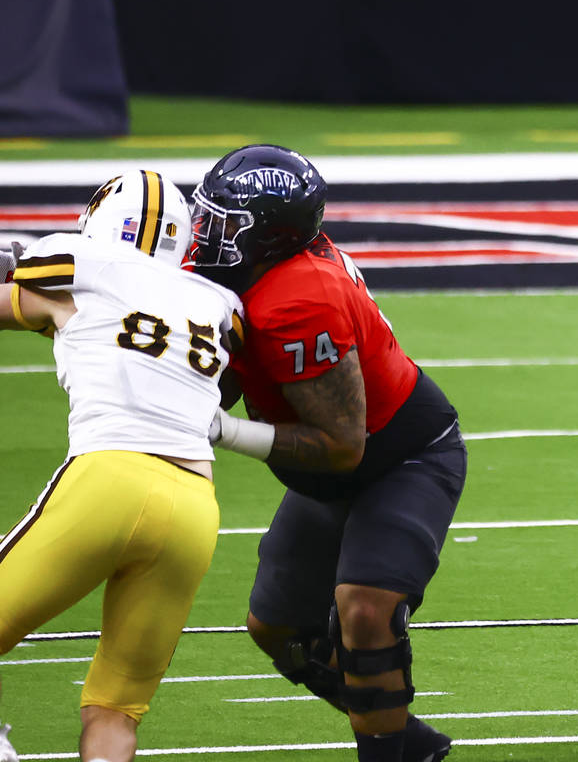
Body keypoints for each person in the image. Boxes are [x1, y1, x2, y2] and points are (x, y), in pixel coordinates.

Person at [189, 144, 465, 762]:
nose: (204, 232)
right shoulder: (256, 265)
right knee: (277, 630)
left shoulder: (297, 296)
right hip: (323, 475)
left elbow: (342, 446)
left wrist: (219, 428)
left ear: (269, 236)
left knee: (366, 612)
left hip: (401, 458)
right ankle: (403, 738)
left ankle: (384, 749)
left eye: (223, 222)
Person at [0, 170, 242, 762]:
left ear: (101, 219)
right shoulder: (218, 303)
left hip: (110, 479)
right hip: (193, 507)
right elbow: (222, 386)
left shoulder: (80, 261)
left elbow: (19, 303)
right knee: (114, 710)